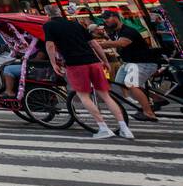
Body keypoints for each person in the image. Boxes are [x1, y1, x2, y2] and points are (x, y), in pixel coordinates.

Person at [45, 11, 131, 139]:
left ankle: (103, 128)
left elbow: (50, 45)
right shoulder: (76, 24)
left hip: (75, 64)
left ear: (48, 15)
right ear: (61, 14)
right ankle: (124, 128)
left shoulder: (49, 25)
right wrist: (105, 61)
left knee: (84, 96)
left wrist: (53, 63)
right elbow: (94, 44)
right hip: (93, 62)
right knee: (106, 96)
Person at [99, 13, 163, 121]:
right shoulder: (115, 32)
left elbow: (123, 43)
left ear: (115, 17)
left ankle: (148, 113)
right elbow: (111, 42)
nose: (105, 21)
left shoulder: (128, 31)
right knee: (121, 83)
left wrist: (98, 45)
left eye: (107, 18)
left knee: (131, 83)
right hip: (129, 63)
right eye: (104, 20)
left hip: (144, 62)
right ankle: (157, 99)